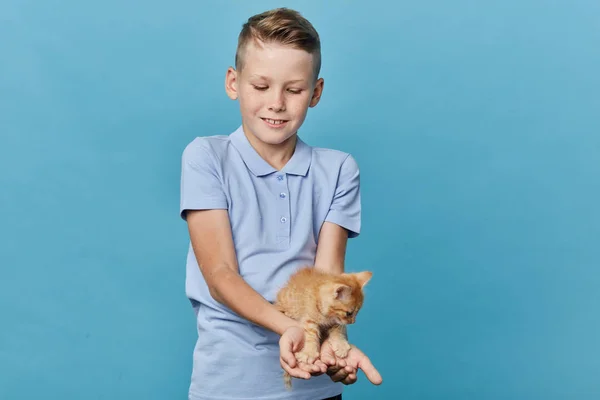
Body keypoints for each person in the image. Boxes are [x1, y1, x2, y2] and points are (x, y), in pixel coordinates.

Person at [179, 7, 382, 400]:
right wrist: (287, 327)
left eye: (293, 90)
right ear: (233, 83)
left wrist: (332, 346)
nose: (276, 103)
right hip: (228, 385)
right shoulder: (206, 157)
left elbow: (328, 283)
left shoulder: (338, 169)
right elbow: (220, 275)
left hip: (314, 384)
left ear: (316, 93)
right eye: (260, 86)